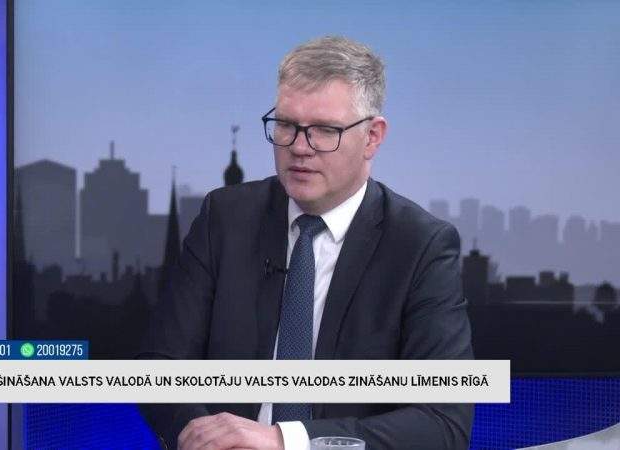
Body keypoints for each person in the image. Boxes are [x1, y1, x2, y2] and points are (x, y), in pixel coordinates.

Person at [137, 36, 473, 450]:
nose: (299, 148)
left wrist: (284, 441)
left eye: (324, 130)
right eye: (286, 125)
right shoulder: (224, 218)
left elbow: (442, 422)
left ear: (372, 137)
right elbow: (160, 367)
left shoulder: (420, 246)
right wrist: (209, 438)